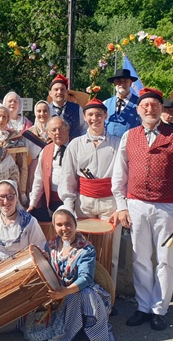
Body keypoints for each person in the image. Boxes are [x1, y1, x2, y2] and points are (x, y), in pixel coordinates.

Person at [112, 87, 173, 331]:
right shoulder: (129, 136)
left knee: (165, 261)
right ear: (139, 109)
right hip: (136, 205)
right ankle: (142, 307)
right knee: (140, 259)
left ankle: (159, 309)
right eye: (145, 105)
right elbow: (120, 175)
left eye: (155, 105)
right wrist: (121, 206)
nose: (150, 109)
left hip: (168, 207)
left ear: (161, 109)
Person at [24, 206, 114, 341]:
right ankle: (74, 330)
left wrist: (66, 291)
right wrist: (44, 259)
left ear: (75, 225)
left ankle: (93, 333)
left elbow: (86, 278)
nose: (64, 228)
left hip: (83, 294)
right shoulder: (51, 245)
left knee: (81, 294)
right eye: (59, 225)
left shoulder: (86, 249)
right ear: (54, 226)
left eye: (68, 224)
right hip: (60, 294)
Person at [58, 99, 121, 285]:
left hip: (110, 203)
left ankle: (109, 293)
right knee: (81, 249)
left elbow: (124, 177)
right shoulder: (75, 144)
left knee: (111, 251)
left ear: (105, 116)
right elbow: (67, 177)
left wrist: (121, 206)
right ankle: (80, 291)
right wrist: (69, 207)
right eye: (91, 115)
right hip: (83, 203)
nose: (95, 118)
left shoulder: (118, 143)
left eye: (99, 114)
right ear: (85, 118)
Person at [28, 117, 69, 222]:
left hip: (73, 202)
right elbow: (39, 179)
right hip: (52, 202)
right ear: (48, 133)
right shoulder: (46, 150)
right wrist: (33, 203)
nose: (57, 133)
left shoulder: (76, 147)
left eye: (61, 128)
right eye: (53, 130)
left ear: (67, 129)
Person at [0, 104, 30, 202]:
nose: (1, 119)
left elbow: (23, 166)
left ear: (8, 119)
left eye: (4, 117)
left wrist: (22, 191)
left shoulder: (15, 137)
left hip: (10, 182)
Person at [104, 69, 141, 138]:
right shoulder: (105, 103)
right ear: (114, 84)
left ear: (130, 83)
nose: (122, 84)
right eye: (118, 81)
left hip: (130, 145)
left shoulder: (140, 103)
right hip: (109, 145)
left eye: (125, 81)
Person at [24, 100, 52, 189]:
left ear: (50, 112)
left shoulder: (54, 132)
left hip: (51, 168)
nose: (42, 114)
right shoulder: (28, 134)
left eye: (45, 111)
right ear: (35, 113)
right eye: (39, 111)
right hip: (34, 169)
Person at [48, 74, 86, 138]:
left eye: (62, 89)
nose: (59, 92)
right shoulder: (46, 109)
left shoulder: (77, 108)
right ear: (50, 93)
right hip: (53, 147)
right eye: (56, 89)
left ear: (67, 92)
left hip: (74, 147)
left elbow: (84, 129)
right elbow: (39, 128)